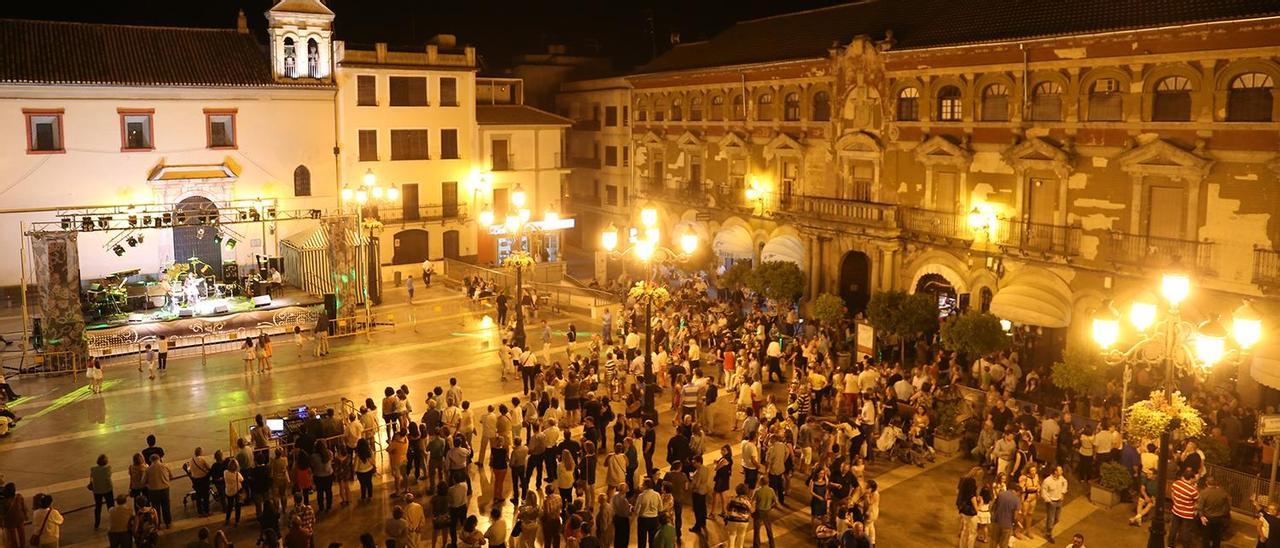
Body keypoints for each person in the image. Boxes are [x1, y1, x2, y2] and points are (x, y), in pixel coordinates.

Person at [1168, 467, 1199, 548]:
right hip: (1187, 514)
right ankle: (1185, 546)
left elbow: (1173, 495)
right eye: (1194, 479)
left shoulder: (1176, 483)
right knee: (1186, 531)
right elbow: (1197, 502)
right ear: (1191, 478)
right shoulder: (1193, 491)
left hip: (1176, 510)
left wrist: (1176, 503)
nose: (1195, 480)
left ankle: (1170, 545)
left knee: (1173, 528)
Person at [1197, 476, 1231, 547]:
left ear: (1206, 483)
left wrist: (1201, 516)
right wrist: (1223, 514)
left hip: (1207, 518)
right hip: (1218, 518)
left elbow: (1200, 507)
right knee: (1217, 537)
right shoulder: (1222, 492)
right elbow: (1227, 507)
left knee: (1206, 537)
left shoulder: (1204, 493)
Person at [142, 453, 171, 529]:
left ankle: (157, 524)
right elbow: (171, 476)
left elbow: (143, 481)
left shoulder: (148, 469)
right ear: (159, 459)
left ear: (151, 460)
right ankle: (168, 522)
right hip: (165, 489)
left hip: (153, 491)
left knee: (155, 508)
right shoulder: (165, 466)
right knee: (166, 506)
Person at [1040, 465, 1067, 543]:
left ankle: (1047, 527)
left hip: (1059, 501)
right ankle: (1048, 533)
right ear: (1055, 472)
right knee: (1051, 519)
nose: (1062, 472)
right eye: (1060, 470)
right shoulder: (1047, 481)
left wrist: (1062, 493)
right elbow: (1043, 492)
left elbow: (1065, 483)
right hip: (1051, 502)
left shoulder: (1061, 478)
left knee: (1057, 519)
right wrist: (1049, 501)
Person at [989, 481, 1020, 548]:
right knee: (1004, 544)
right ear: (1016, 491)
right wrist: (1016, 524)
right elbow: (1015, 516)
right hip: (1007, 525)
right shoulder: (1016, 500)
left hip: (997, 522)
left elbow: (993, 507)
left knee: (993, 542)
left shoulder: (1001, 494)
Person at [90, 454, 115, 530]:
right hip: (107, 490)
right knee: (110, 506)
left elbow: (91, 479)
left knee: (98, 507)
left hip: (97, 491)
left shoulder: (93, 469)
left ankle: (97, 524)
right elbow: (108, 479)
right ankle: (113, 521)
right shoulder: (108, 468)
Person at [723, 484, 753, 548]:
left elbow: (727, 508)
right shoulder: (747, 502)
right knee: (741, 536)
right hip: (744, 521)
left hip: (732, 520)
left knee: (732, 535)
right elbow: (750, 510)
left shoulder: (732, 499)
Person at [751, 477, 777, 548]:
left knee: (757, 530)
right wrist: (771, 507)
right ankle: (772, 545)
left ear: (760, 482)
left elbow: (752, 501)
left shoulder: (757, 491)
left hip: (759, 511)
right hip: (767, 511)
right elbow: (775, 502)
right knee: (769, 529)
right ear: (768, 482)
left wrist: (751, 512)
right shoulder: (771, 490)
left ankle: (756, 546)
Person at [2, 483, 28, 548]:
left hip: (9, 520)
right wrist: (26, 515)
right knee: (22, 534)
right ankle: (23, 545)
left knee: (12, 536)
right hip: (19, 518)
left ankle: (14, 546)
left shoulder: (4, 501)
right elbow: (24, 507)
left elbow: (2, 512)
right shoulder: (19, 496)